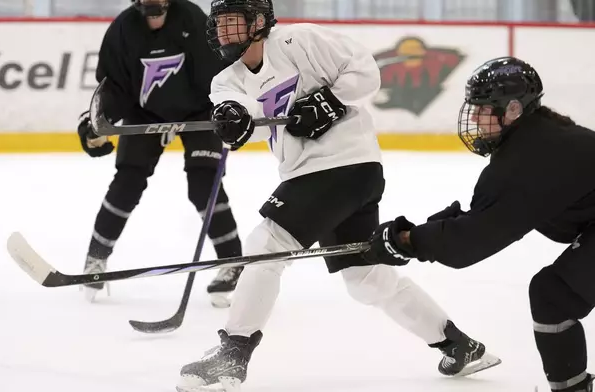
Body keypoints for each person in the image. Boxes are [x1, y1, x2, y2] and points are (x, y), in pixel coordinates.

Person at [175, 1, 500, 390]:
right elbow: (252, 121)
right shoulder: (225, 80)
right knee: (367, 279)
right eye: (219, 24)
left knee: (267, 244)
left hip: (344, 164)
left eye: (232, 23)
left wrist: (329, 100)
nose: (223, 32)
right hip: (326, 176)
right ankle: (460, 346)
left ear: (259, 22)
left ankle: (233, 355)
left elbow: (365, 71)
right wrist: (234, 121)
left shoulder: (300, 40)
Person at [363, 56, 595, 392]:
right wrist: (416, 234)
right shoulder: (538, 137)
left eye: (482, 109)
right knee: (553, 294)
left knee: (553, 296)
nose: (473, 117)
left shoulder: (528, 160)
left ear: (512, 109)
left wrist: (407, 241)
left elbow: (471, 242)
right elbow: (487, 216)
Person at [76, 0, 244, 305]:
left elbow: (217, 75)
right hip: (146, 113)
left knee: (204, 186)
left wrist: (228, 107)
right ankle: (95, 258)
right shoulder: (123, 30)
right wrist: (97, 122)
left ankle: (233, 262)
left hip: (199, 111)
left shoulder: (191, 19)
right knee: (127, 182)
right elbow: (113, 87)